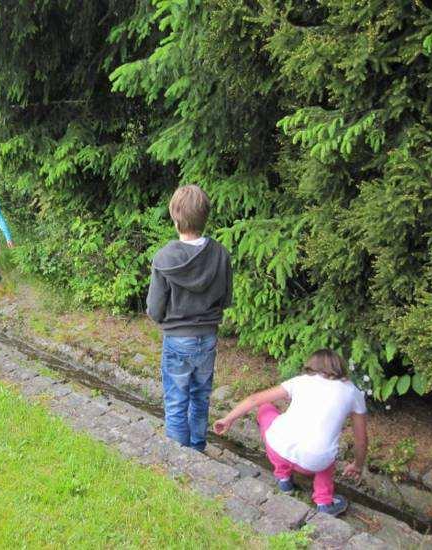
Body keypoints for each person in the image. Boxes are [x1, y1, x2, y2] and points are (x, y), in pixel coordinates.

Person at [213, 349, 368, 516]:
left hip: (277, 447)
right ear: (339, 367)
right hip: (314, 462)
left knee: (265, 408)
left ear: (312, 365)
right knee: (326, 450)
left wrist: (227, 419)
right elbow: (361, 440)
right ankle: (324, 503)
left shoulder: (301, 381)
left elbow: (254, 399)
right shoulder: (352, 392)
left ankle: (284, 480)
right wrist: (357, 465)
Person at [146, 185, 232, 452]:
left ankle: (180, 460)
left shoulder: (164, 258)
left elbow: (154, 308)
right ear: (205, 217)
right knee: (200, 397)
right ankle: (197, 449)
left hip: (177, 340)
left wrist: (164, 321)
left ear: (175, 218)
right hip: (207, 338)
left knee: (176, 401)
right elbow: (226, 299)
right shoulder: (220, 254)